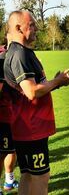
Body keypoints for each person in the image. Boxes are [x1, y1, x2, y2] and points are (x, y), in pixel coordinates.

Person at [4, 10, 69, 195]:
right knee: (41, 177)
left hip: (27, 127)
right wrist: (58, 81)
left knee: (28, 174)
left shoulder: (22, 52)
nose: (37, 28)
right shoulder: (20, 54)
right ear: (19, 27)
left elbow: (37, 87)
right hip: (31, 128)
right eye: (32, 25)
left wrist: (56, 82)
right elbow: (31, 91)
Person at [0, 41, 18, 195]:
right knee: (3, 152)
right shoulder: (3, 57)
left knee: (11, 150)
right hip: (4, 115)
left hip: (13, 114)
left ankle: (9, 180)